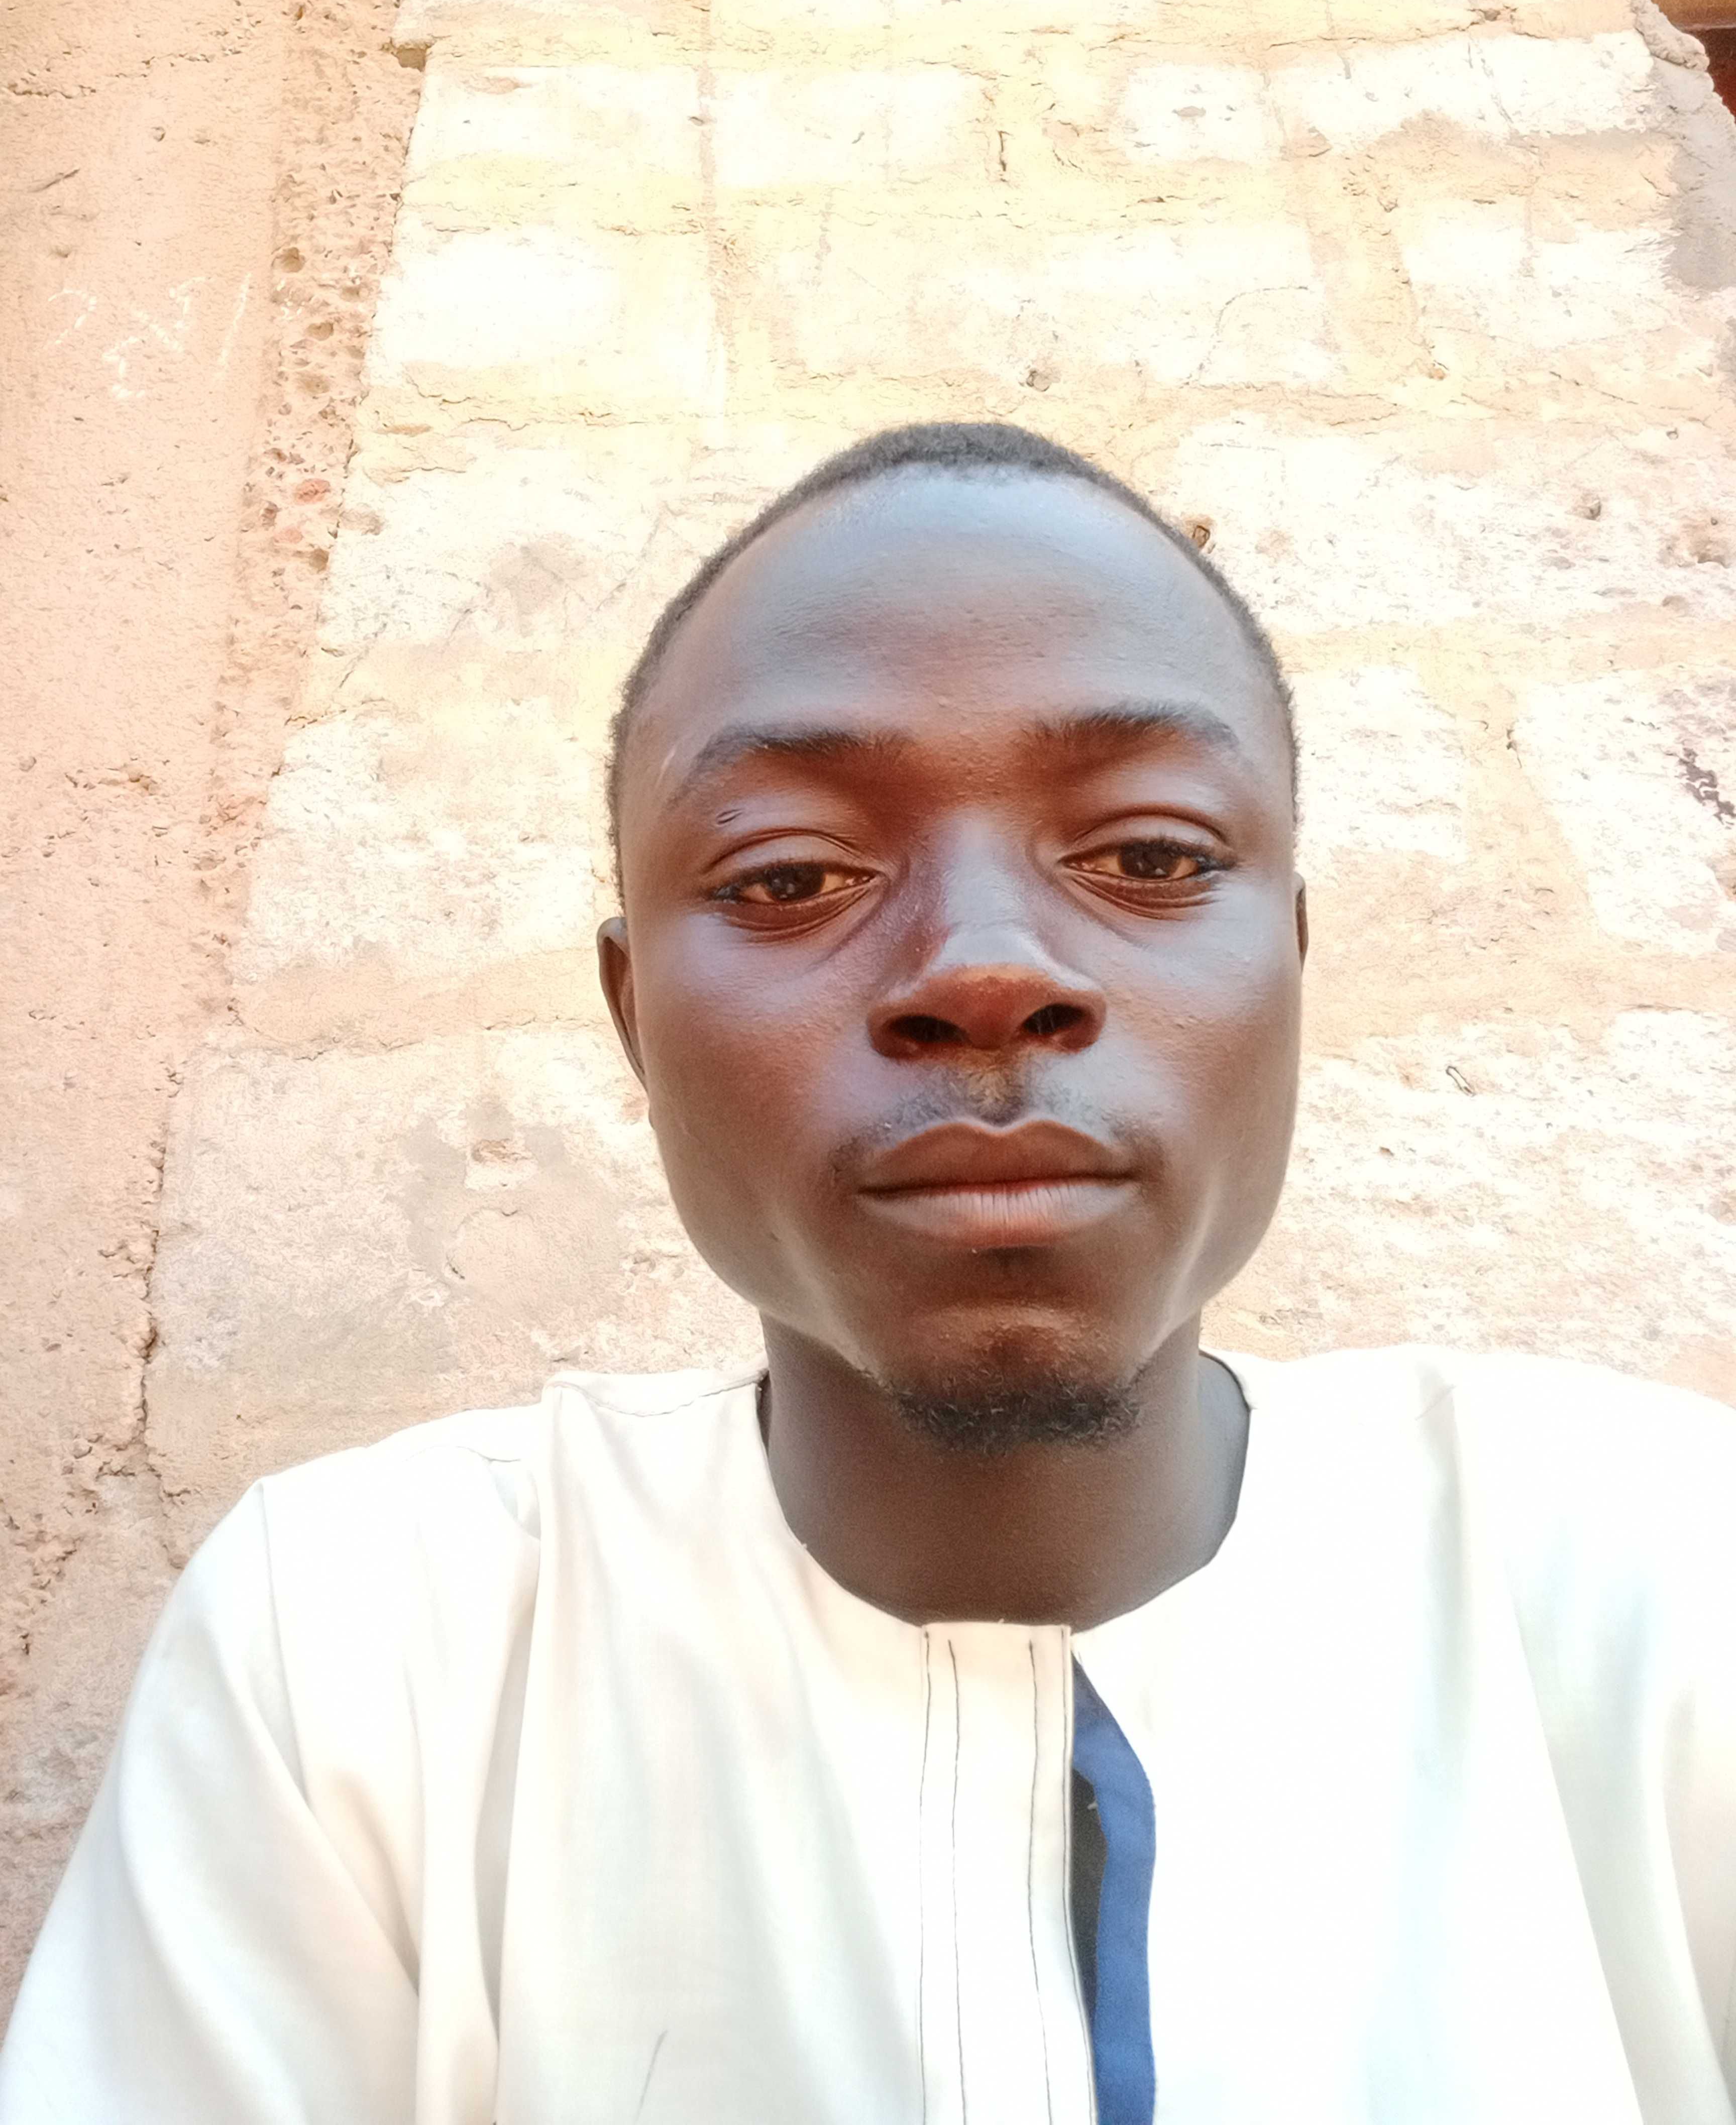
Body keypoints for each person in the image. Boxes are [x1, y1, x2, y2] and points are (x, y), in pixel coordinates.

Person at [1, 421, 1732, 2125]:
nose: (985, 972)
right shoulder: (364, 1649)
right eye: (792, 876)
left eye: (1151, 858)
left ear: (1288, 963)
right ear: (635, 1018)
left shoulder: (1660, 1577)